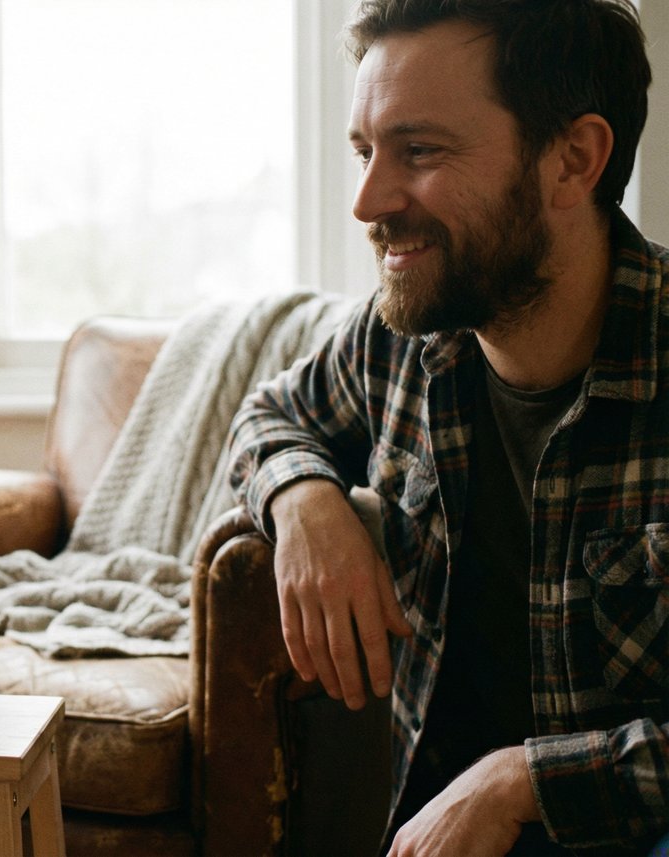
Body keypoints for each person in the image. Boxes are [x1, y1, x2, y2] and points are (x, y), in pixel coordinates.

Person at [226, 1, 666, 854]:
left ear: (572, 161)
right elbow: (270, 414)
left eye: (418, 151)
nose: (367, 201)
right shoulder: (395, 345)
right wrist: (303, 498)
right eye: (364, 152)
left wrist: (523, 780)